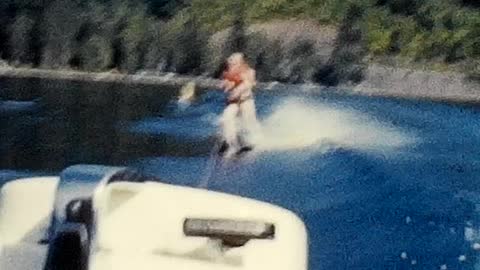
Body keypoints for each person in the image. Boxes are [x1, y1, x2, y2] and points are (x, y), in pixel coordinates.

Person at [218, 52, 261, 157]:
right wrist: (225, 85)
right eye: (231, 60)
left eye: (234, 60)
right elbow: (223, 85)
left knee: (248, 122)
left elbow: (248, 84)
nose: (231, 62)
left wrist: (237, 90)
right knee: (226, 119)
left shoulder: (249, 72)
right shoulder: (228, 72)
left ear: (242, 62)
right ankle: (230, 143)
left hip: (246, 101)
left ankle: (254, 141)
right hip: (233, 103)